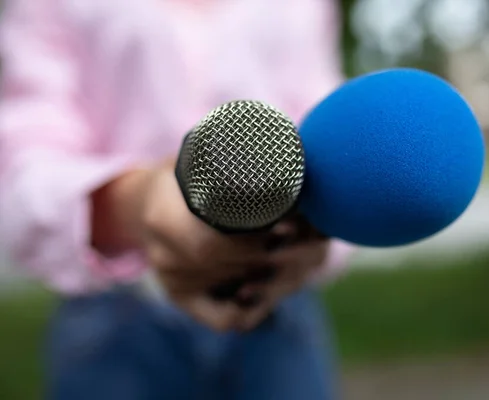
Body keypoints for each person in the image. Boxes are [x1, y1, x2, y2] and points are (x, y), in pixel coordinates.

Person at [0, 0, 354, 399]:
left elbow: (325, 140)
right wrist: (138, 202)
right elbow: (25, 167)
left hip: (279, 307)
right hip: (115, 317)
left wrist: (316, 236)